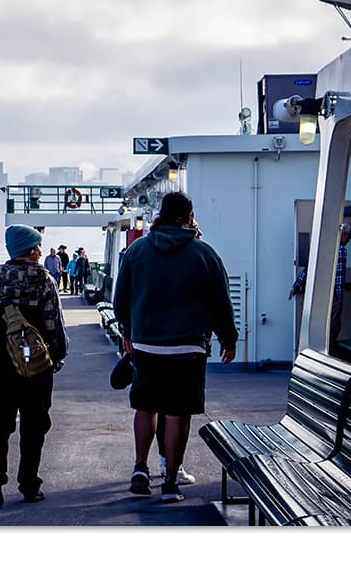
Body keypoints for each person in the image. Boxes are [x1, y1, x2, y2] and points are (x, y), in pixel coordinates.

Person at [113, 191, 238, 503]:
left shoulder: (137, 250)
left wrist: (128, 330)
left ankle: (140, 469)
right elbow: (221, 302)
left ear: (161, 214)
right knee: (178, 414)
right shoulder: (204, 254)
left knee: (145, 406)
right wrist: (228, 339)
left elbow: (120, 298)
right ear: (188, 216)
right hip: (188, 347)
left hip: (146, 345)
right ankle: (170, 482)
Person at [0, 224, 68, 507]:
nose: (41, 250)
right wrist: (58, 354)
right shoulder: (42, 278)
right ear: (32, 249)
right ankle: (29, 483)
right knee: (34, 423)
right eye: (38, 245)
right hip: (35, 366)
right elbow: (54, 325)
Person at [289, 223, 351, 352]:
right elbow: (339, 278)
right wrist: (339, 297)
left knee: (321, 325)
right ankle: (327, 352)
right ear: (344, 235)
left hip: (320, 293)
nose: (349, 240)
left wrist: (296, 286)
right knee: (333, 325)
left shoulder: (323, 247)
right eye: (349, 237)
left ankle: (318, 351)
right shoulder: (340, 250)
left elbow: (308, 268)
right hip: (333, 294)